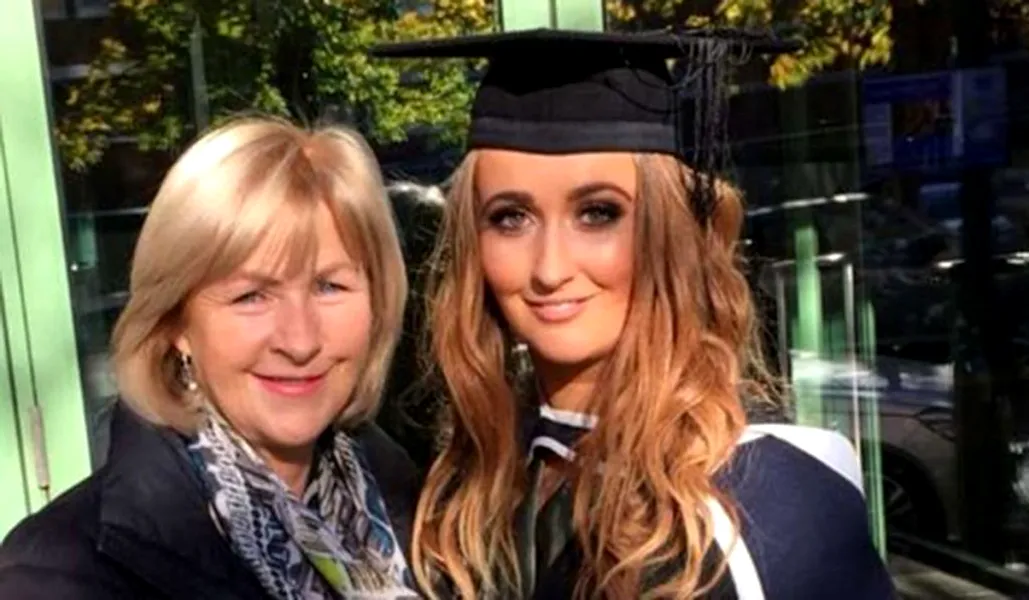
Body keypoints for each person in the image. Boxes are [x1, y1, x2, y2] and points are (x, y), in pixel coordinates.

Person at [373, 29, 897, 599]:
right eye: (510, 218)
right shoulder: (473, 489)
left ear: (669, 233)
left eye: (598, 213)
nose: (549, 268)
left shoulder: (768, 499)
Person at [0, 117, 421, 599]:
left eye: (329, 286)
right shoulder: (58, 575)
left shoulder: (412, 505)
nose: (300, 340)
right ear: (176, 323)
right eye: (251, 296)